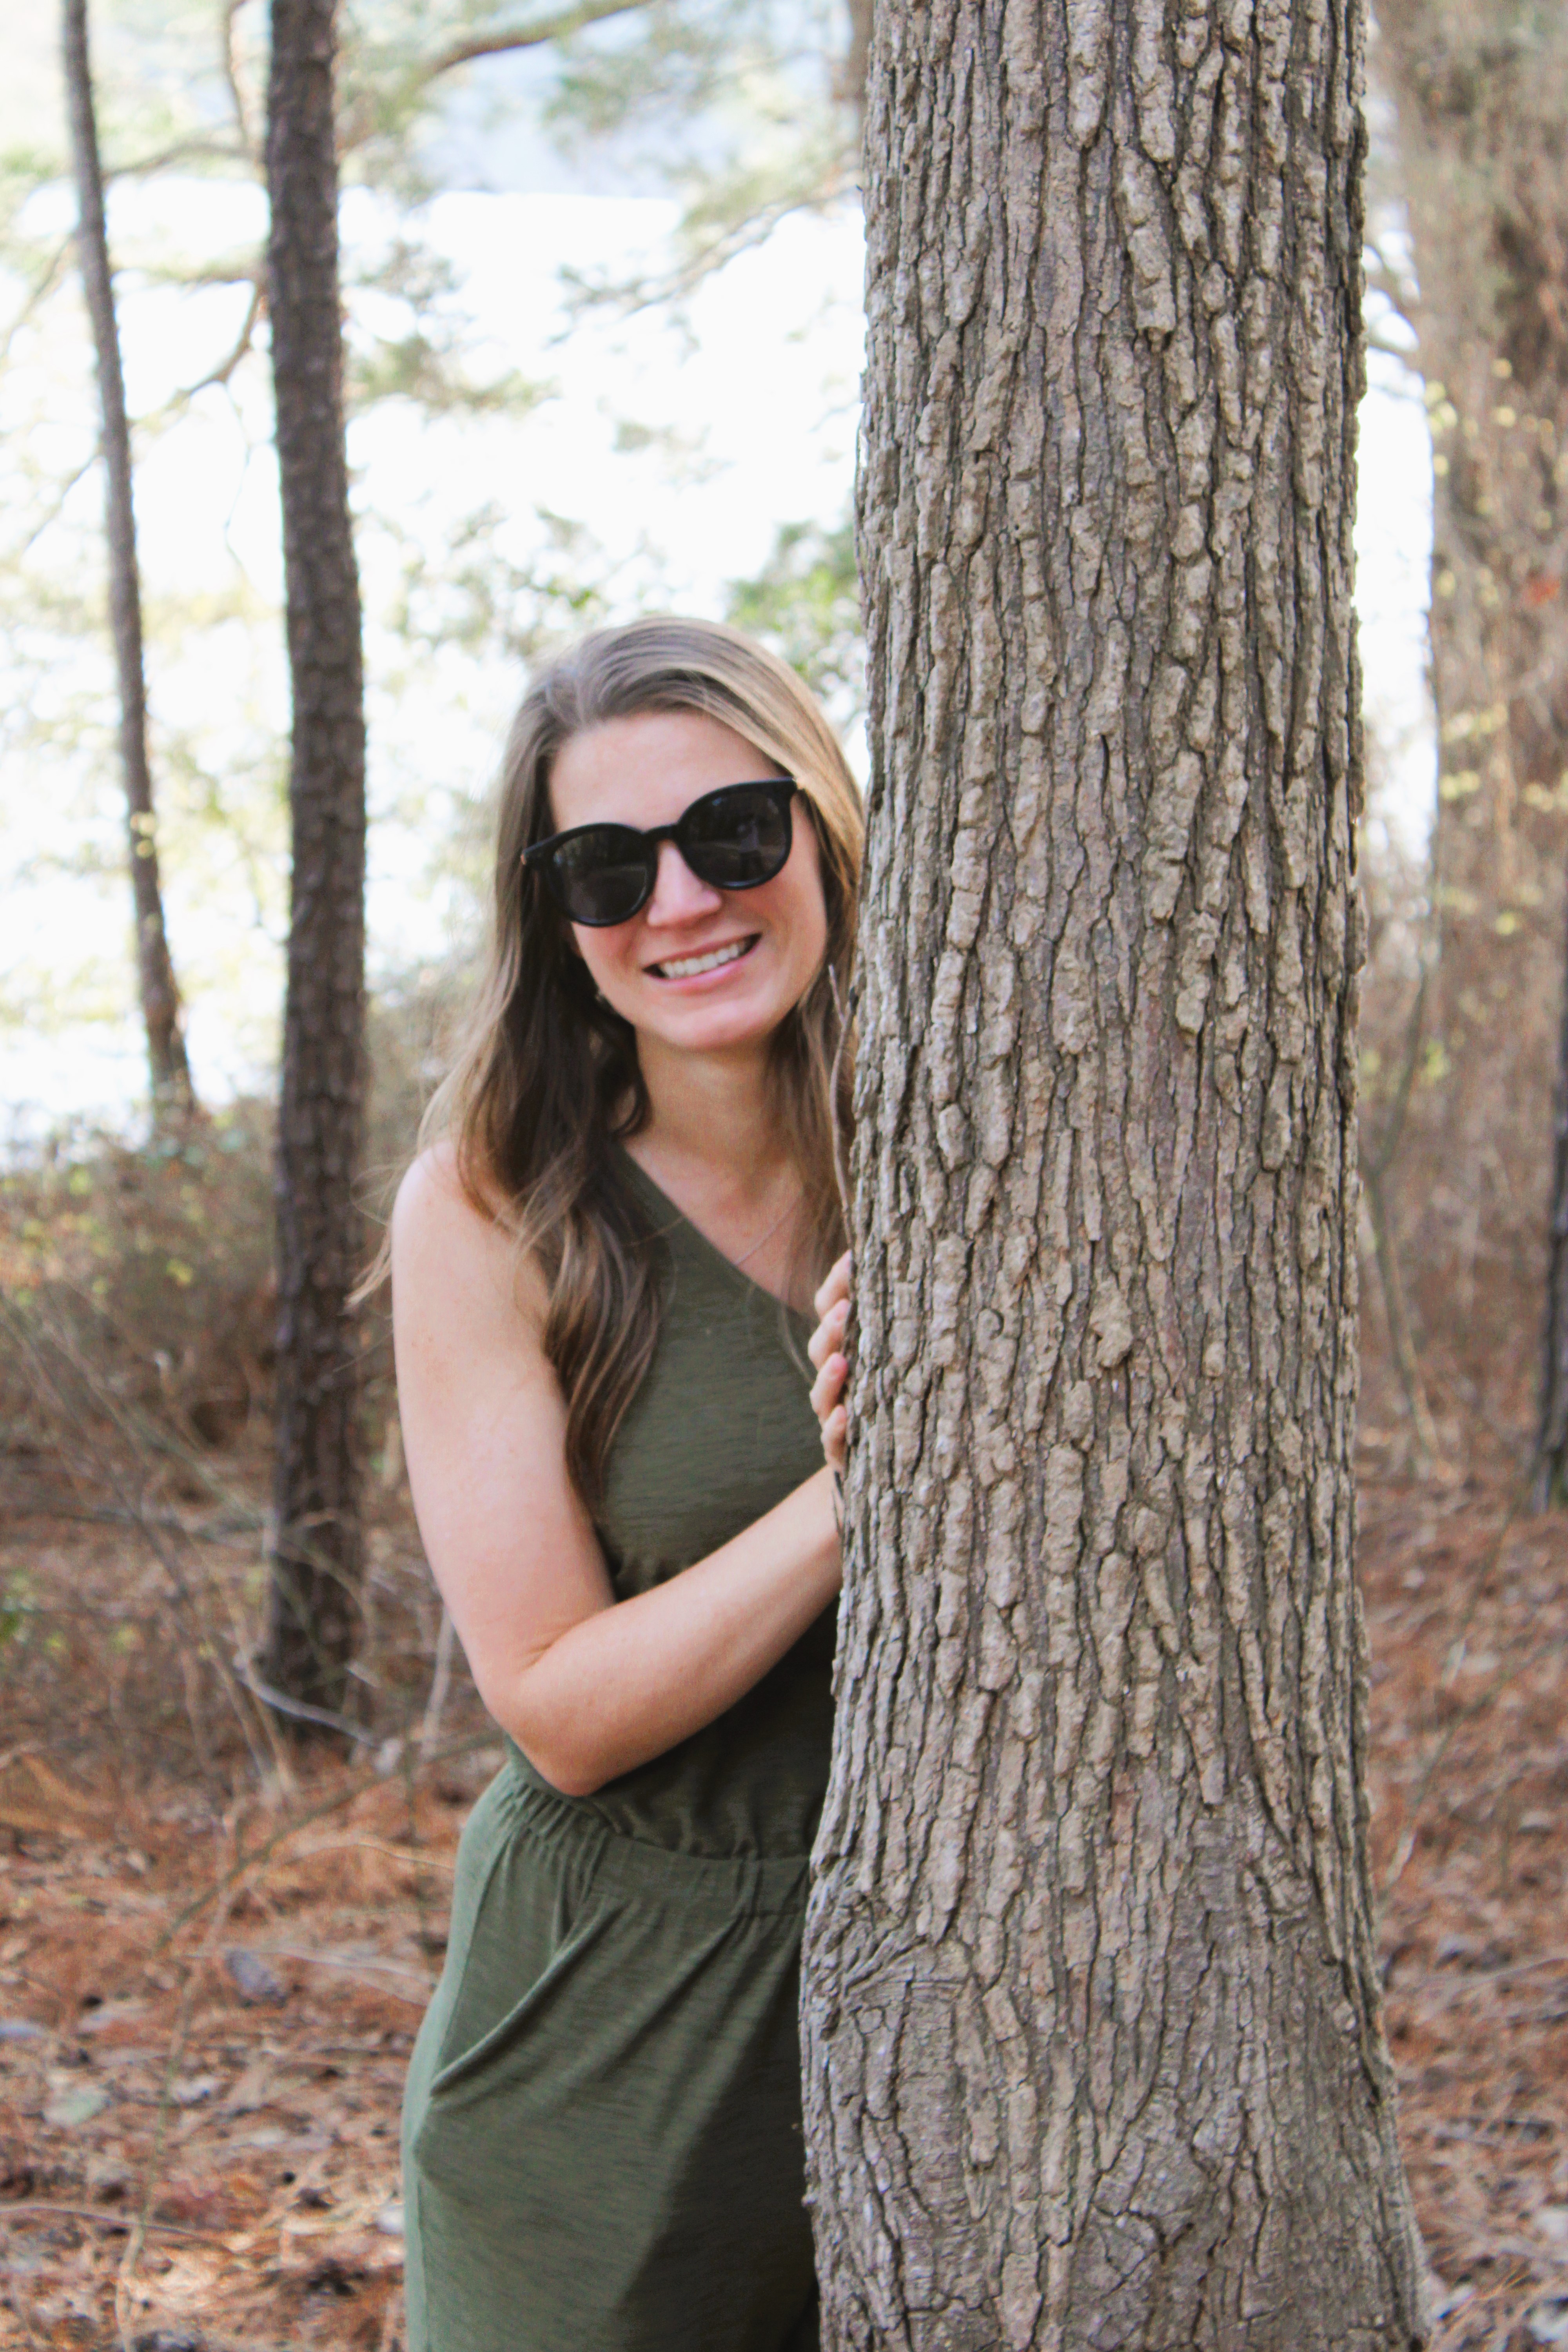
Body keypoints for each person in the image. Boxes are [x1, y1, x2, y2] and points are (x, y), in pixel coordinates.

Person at [389, 617, 857, 2352]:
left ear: (821, 827)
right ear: (555, 919)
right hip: (606, 2066)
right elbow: (557, 1708)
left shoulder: (975, 1143)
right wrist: (863, 1479)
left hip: (943, 2027)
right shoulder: (494, 1209)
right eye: (606, 867)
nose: (679, 903)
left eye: (733, 832)